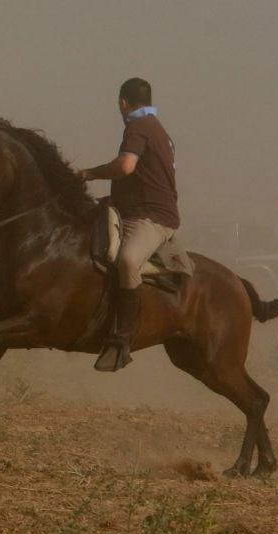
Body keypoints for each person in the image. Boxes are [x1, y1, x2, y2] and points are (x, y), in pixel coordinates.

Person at [80, 77, 179, 372]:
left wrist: (88, 174)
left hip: (151, 217)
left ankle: (121, 342)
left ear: (123, 102)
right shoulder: (153, 127)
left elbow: (125, 167)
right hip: (131, 210)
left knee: (127, 260)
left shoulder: (139, 127)